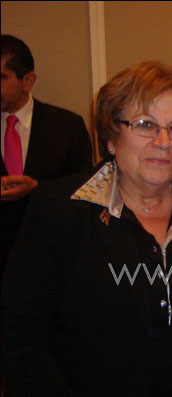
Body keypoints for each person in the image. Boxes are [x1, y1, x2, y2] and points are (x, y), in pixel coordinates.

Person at [1, 60, 172, 397]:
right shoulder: (59, 213)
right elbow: (21, 341)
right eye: (145, 124)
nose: (163, 142)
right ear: (110, 138)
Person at [1, 34, 92, 276]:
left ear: (28, 81)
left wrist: (38, 189)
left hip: (51, 261)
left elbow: (87, 193)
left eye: (1, 77)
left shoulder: (67, 127)